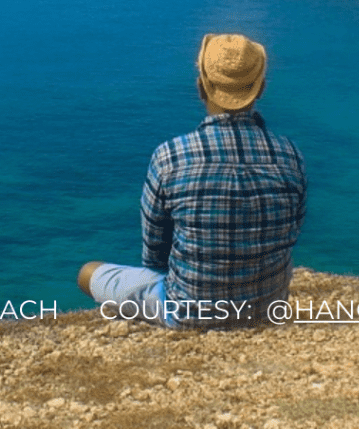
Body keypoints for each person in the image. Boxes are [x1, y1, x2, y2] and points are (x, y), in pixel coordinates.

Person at [77, 33, 306, 328]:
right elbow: (291, 235)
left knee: (88, 272)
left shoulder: (170, 157)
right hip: (266, 309)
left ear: (201, 87)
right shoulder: (290, 156)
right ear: (260, 88)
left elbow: (154, 255)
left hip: (187, 313)